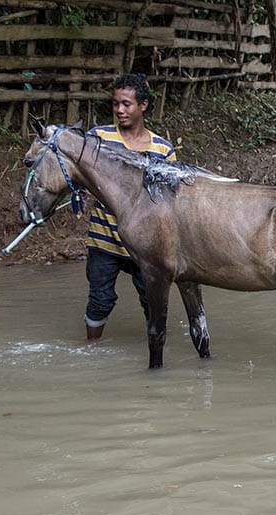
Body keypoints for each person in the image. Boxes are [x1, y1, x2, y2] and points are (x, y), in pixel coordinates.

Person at [84, 73, 177, 340]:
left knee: (153, 301)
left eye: (127, 104)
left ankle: (158, 352)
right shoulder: (97, 138)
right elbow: (82, 173)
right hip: (104, 241)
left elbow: (169, 200)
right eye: (115, 104)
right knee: (100, 300)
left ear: (143, 106)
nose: (120, 110)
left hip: (146, 244)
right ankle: (91, 350)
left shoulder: (163, 150)